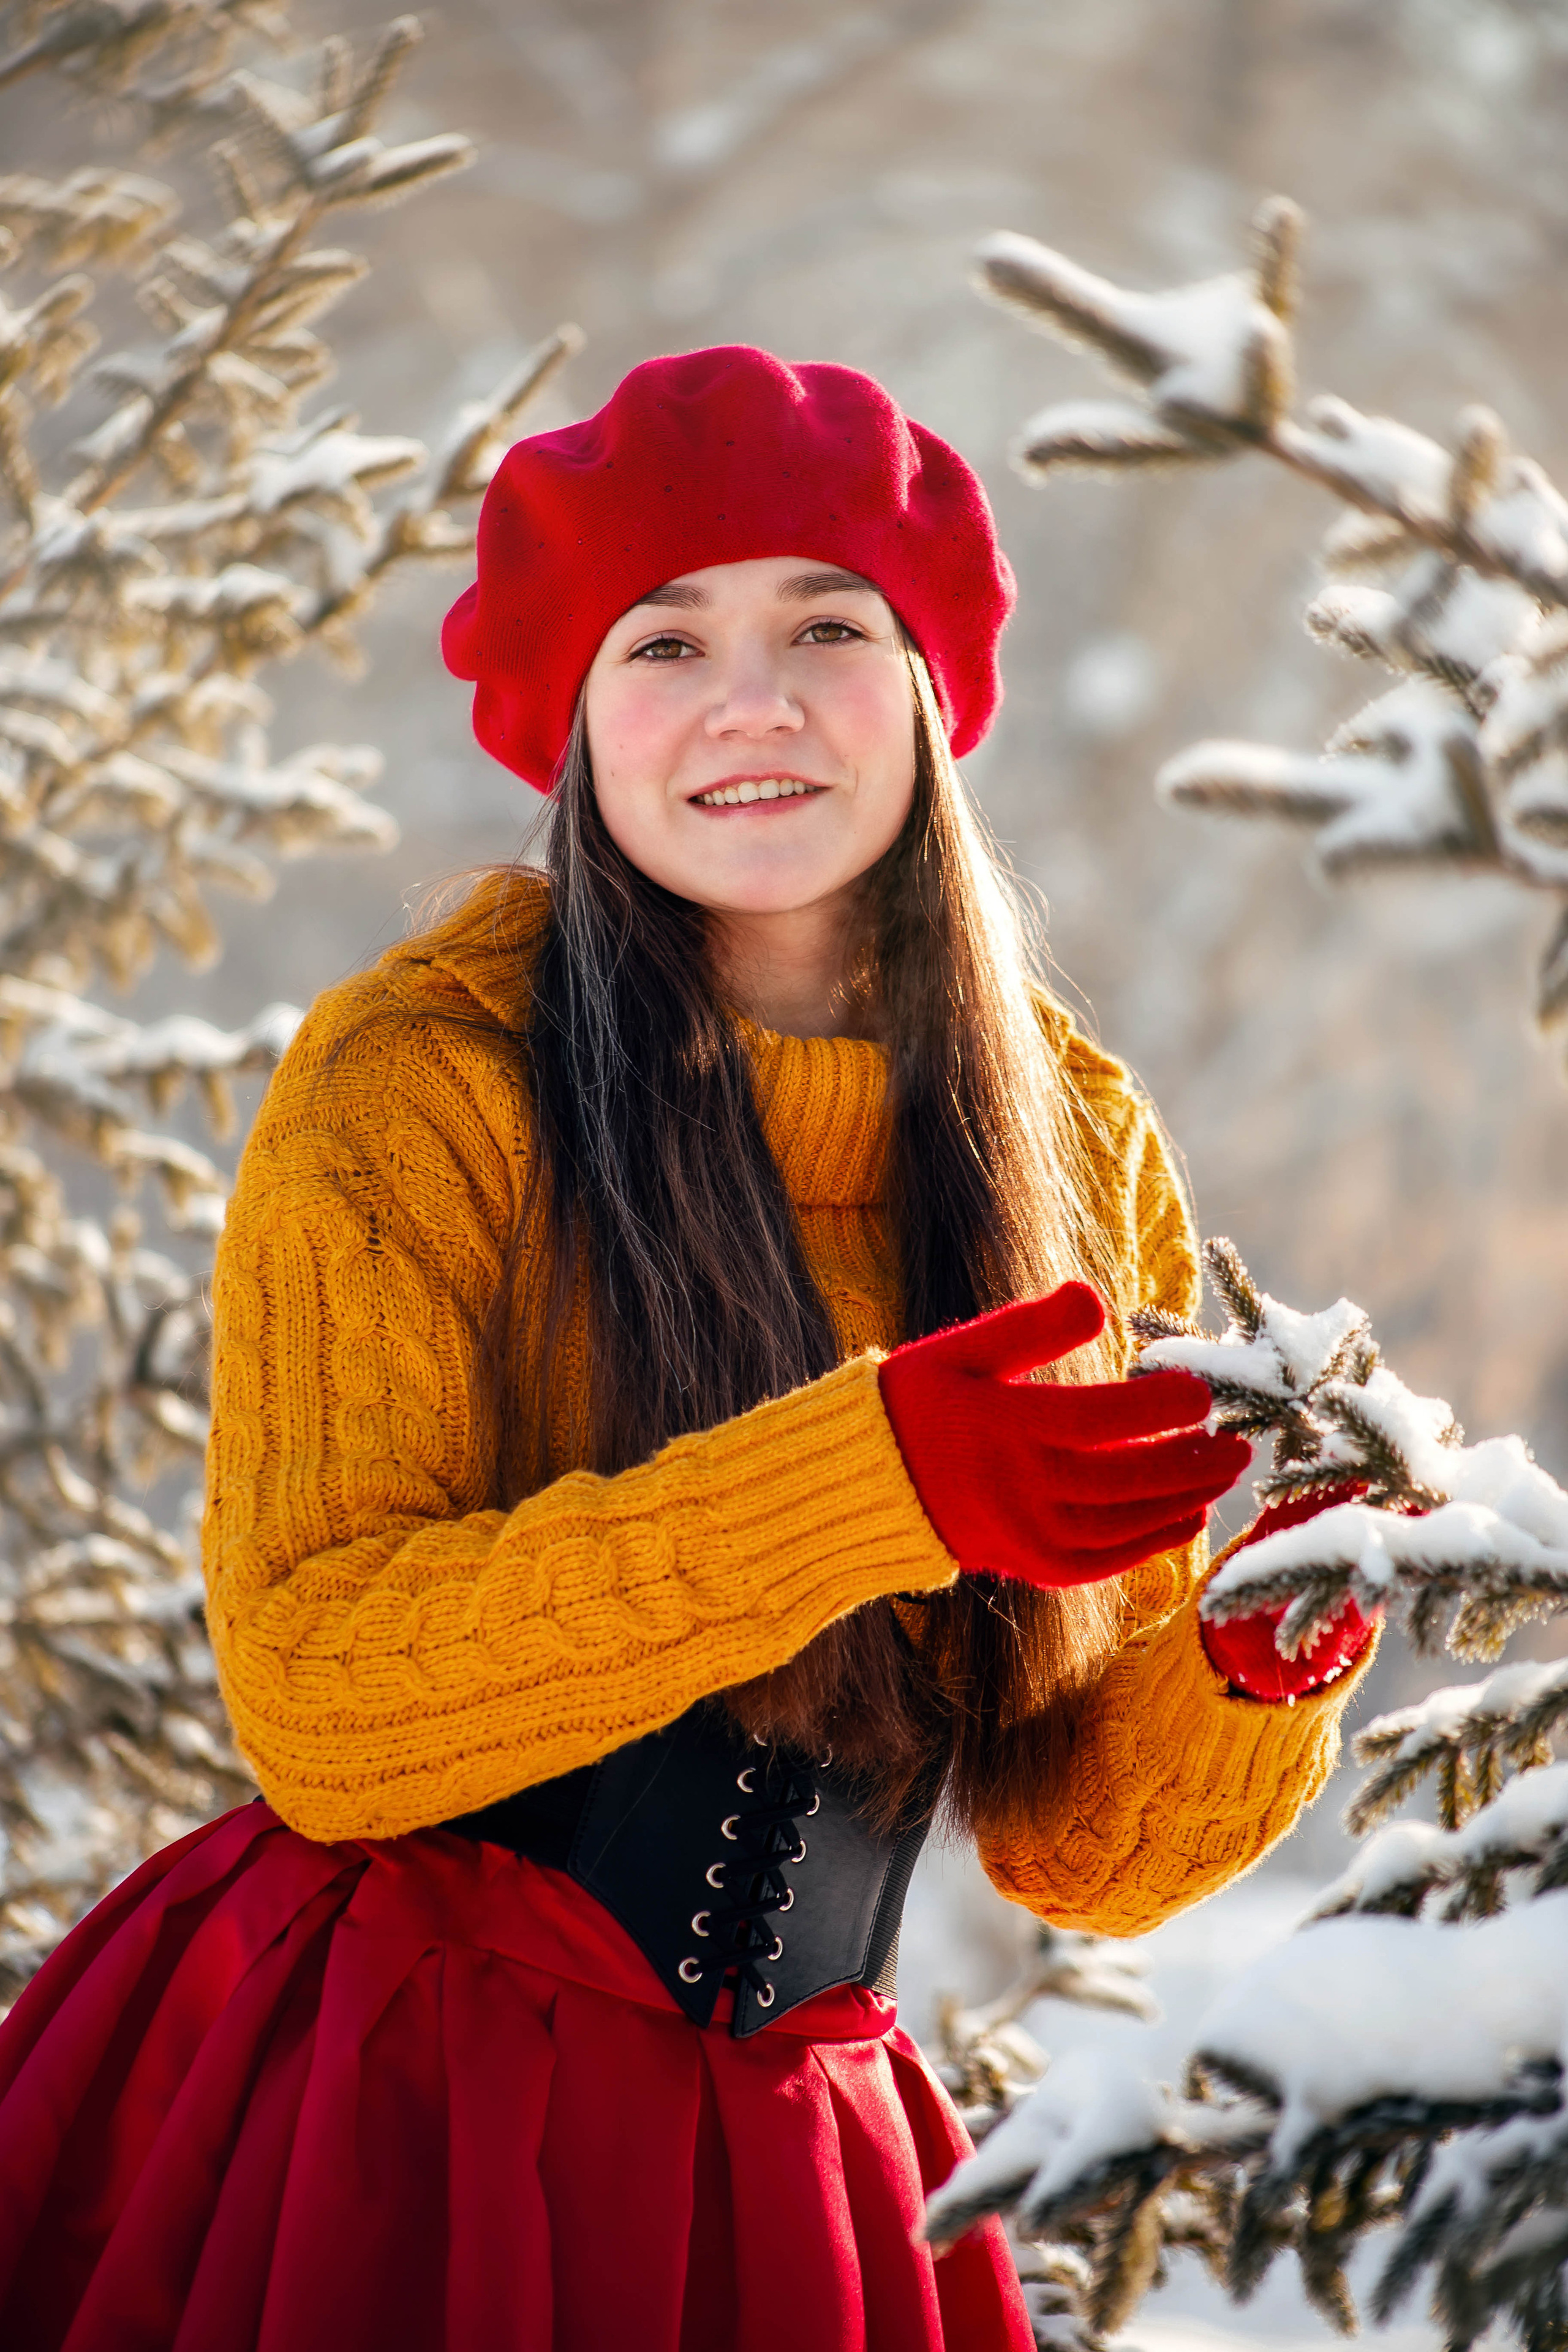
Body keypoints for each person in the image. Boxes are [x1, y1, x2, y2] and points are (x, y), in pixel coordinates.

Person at [0, 345, 1376, 2352]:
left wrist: (1247, 1664)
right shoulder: (421, 1081)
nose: (752, 702)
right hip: (395, 2108)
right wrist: (872, 1480)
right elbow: (323, 1696)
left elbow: (1077, 1845)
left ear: (926, 690)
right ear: (575, 719)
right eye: (665, 642)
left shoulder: (1068, 1140)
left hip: (797, 2159)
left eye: (826, 623)